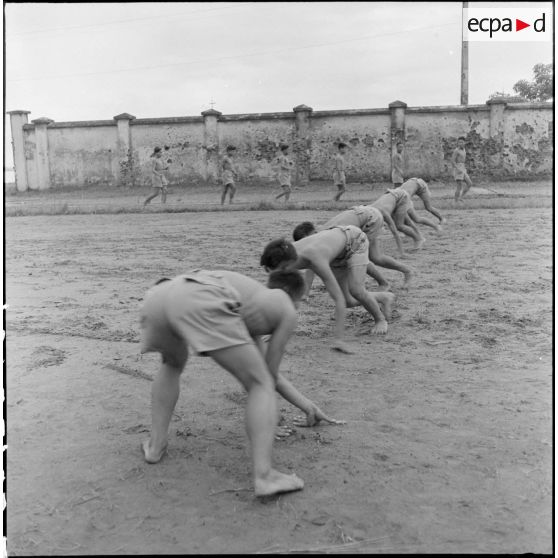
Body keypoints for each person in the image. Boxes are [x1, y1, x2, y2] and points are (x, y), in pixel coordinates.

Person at [139, 268, 343, 498]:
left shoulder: (250, 307)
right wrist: (270, 421)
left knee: (172, 364)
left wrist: (307, 405)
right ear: (295, 297)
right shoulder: (285, 306)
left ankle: (155, 447)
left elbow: (266, 375)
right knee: (260, 383)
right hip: (199, 294)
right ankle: (265, 476)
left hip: (160, 294)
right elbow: (268, 378)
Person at [260, 229, 395, 355]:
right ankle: (384, 297)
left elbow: (337, 299)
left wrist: (339, 340)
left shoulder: (315, 257)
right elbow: (284, 296)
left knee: (356, 290)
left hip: (355, 241)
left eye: (279, 270)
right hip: (336, 253)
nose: (277, 275)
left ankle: (380, 319)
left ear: (287, 264)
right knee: (348, 301)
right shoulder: (284, 253)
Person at [299, 203, 413, 289]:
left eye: (308, 240)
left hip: (369, 218)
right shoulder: (321, 235)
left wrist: (305, 292)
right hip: (368, 214)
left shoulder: (323, 236)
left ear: (313, 233)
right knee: (376, 257)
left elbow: (311, 266)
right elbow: (312, 266)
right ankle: (406, 271)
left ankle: (384, 282)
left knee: (358, 257)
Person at [451, 137, 473, 203]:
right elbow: (452, 161)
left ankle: (461, 197)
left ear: (464, 143)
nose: (460, 143)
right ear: (457, 143)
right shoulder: (456, 150)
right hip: (458, 169)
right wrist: (457, 168)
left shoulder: (464, 150)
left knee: (469, 183)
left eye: (462, 142)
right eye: (459, 142)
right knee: (459, 187)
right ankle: (455, 202)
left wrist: (463, 168)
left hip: (463, 168)